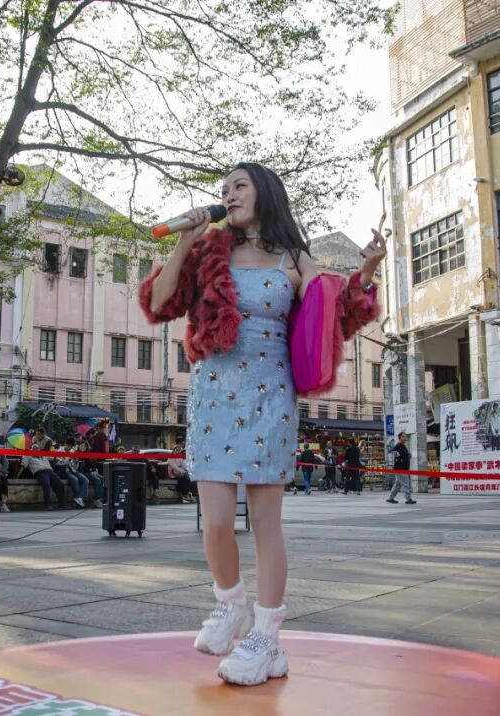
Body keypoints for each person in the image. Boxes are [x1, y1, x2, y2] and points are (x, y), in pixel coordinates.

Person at [139, 161, 383, 685]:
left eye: (239, 186)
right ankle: (232, 605)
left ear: (265, 193)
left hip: (270, 394)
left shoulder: (294, 257)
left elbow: (336, 310)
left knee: (266, 523)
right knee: (216, 521)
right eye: (224, 189)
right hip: (212, 392)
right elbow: (159, 303)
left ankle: (266, 637)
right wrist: (185, 239)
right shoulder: (209, 250)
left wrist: (365, 275)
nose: (228, 195)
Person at [23, 435, 64, 509]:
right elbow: (24, 465)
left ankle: (62, 504)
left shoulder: (43, 454)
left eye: (37, 446)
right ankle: (47, 505)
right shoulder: (28, 455)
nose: (36, 447)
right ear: (31, 447)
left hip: (50, 471)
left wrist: (56, 455)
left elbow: (53, 457)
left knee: (60, 484)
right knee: (46, 484)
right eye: (34, 445)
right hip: (40, 472)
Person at [387, 432, 415, 505]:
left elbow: (406, 455)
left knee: (397, 485)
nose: (405, 438)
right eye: (403, 436)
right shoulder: (398, 445)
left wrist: (407, 456)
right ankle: (408, 499)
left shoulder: (403, 446)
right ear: (399, 438)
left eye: (405, 436)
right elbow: (390, 451)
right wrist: (398, 456)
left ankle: (390, 498)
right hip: (400, 468)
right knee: (406, 483)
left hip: (403, 468)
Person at [169, 438, 196, 503]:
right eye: (176, 450)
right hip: (173, 473)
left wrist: (186, 470)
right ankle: (186, 493)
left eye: (178, 450)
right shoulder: (170, 458)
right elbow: (174, 467)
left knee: (187, 477)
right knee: (184, 476)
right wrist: (181, 471)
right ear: (173, 451)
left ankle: (187, 493)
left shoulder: (179, 457)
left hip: (181, 473)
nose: (177, 451)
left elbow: (184, 466)